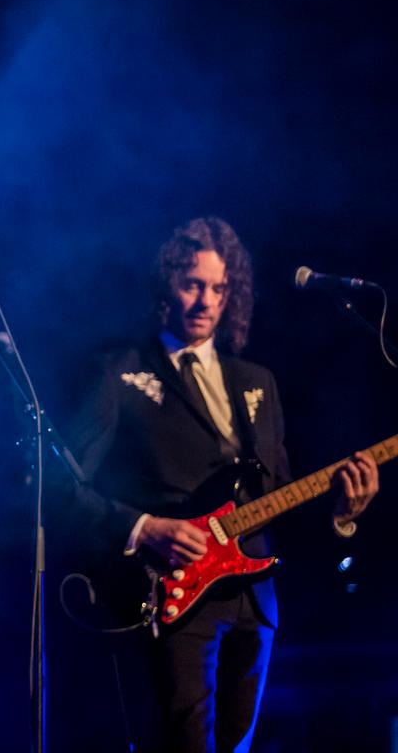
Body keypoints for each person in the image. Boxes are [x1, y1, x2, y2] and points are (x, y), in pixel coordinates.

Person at [64, 216, 380, 752]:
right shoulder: (118, 371)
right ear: (166, 285)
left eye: (218, 288)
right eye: (193, 284)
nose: (206, 300)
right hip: (174, 590)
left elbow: (279, 499)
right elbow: (63, 488)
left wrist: (344, 513)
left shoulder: (256, 381)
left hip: (254, 595)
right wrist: (143, 527)